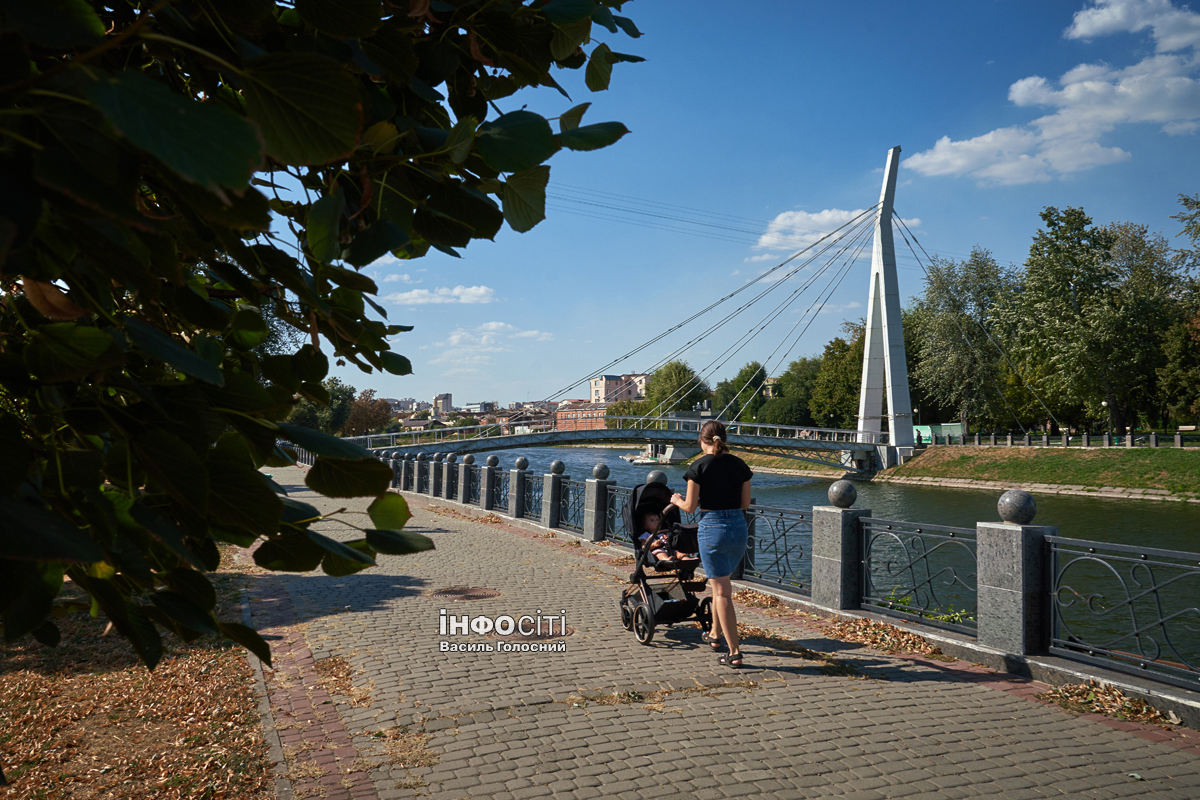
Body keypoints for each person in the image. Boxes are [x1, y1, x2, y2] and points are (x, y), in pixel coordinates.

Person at [669, 420, 753, 668]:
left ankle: (734, 653)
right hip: (738, 527)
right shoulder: (740, 465)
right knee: (722, 585)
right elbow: (745, 503)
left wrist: (676, 500)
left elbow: (691, 507)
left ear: (701, 440)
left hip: (713, 528)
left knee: (721, 592)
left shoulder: (698, 467)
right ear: (724, 439)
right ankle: (715, 635)